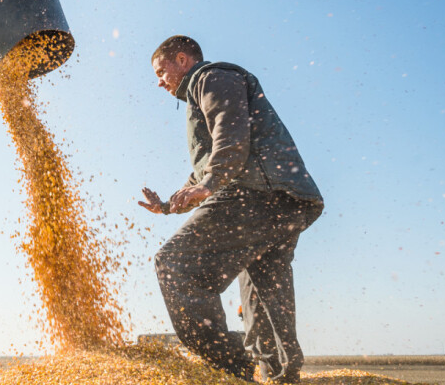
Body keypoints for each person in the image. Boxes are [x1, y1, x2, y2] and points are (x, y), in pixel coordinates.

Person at [138, 35, 323, 383]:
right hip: (285, 198)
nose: (159, 82)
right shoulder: (201, 94)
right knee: (265, 286)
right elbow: (203, 170)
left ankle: (231, 368)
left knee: (176, 265)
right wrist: (167, 206)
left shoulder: (212, 78)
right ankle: (279, 371)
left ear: (182, 59)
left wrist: (211, 182)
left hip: (257, 192)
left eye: (161, 71)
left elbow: (231, 132)